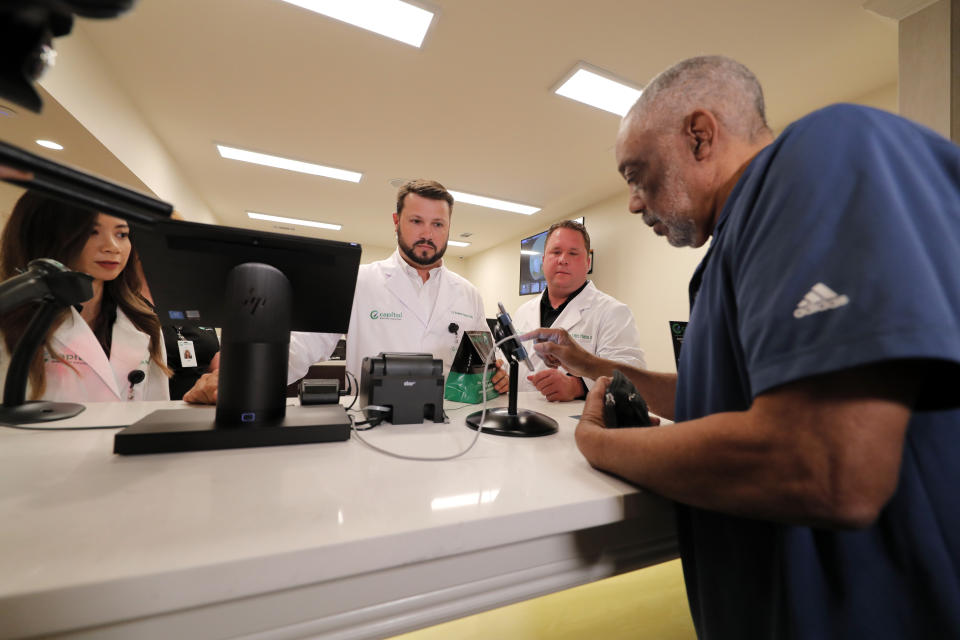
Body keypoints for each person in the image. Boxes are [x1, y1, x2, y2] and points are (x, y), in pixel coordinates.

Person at [526, 56, 960, 639]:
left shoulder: (824, 152)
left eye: (637, 174)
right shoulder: (725, 257)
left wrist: (602, 446)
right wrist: (594, 366)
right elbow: (722, 400)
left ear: (699, 136)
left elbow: (827, 462)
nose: (632, 202)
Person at [184, 179, 507, 404]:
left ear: (449, 226)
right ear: (396, 221)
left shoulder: (468, 294)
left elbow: (483, 361)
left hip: (447, 430)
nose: (427, 233)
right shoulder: (359, 281)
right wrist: (243, 375)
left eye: (438, 224)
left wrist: (497, 376)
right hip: (372, 426)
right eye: (416, 221)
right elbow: (301, 346)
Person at [0, 191, 170, 402]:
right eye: (92, 232)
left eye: (122, 234)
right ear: (47, 235)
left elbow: (154, 412)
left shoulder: (142, 322)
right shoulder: (9, 317)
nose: (112, 247)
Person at [512, 219, 645, 401]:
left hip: (573, 424)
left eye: (573, 253)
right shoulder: (522, 312)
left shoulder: (613, 312)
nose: (563, 260)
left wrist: (579, 386)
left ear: (587, 262)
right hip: (517, 418)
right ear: (543, 260)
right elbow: (506, 363)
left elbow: (632, 377)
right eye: (556, 252)